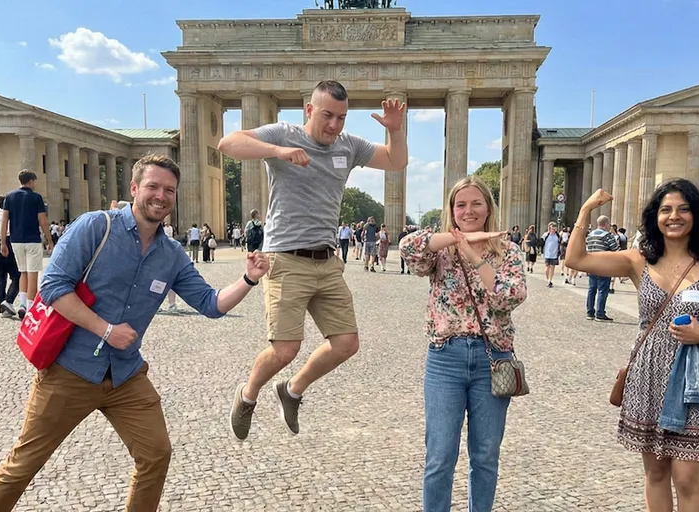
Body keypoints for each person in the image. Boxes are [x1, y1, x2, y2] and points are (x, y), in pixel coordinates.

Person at [0, 154, 270, 512]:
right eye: (153, 186)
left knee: (156, 454)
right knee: (24, 463)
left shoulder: (172, 254)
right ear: (134, 189)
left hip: (126, 376)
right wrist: (106, 329)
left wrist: (249, 279)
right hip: (70, 370)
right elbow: (52, 286)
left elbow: (211, 303)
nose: (160, 196)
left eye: (169, 190)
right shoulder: (95, 227)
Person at [218, 79, 407, 440]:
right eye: (327, 116)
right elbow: (229, 143)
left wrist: (395, 132)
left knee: (347, 343)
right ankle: (248, 395)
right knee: (285, 348)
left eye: (341, 117)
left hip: (327, 260)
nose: (334, 125)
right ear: (309, 110)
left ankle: (292, 390)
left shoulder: (349, 146)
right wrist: (276, 151)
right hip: (286, 258)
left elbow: (396, 162)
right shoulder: (286, 134)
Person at [566, 179, 699, 512]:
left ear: (696, 215)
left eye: (683, 209)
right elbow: (575, 259)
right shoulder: (638, 261)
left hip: (696, 382)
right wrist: (586, 209)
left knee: (688, 479)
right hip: (647, 377)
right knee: (656, 473)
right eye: (666, 210)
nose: (674, 217)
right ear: (655, 217)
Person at [400, 176, 527, 511]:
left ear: (488, 207)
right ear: (451, 211)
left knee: (485, 455)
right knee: (440, 455)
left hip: (493, 358)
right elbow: (408, 248)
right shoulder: (440, 251)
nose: (468, 210)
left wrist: (476, 256)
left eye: (476, 203)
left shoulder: (509, 250)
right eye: (460, 205)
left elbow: (509, 297)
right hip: (446, 358)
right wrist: (460, 239)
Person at [0, 170, 55, 318]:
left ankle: (22, 304)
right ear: (30, 181)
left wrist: (3, 242)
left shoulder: (9, 197)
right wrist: (50, 241)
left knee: (22, 272)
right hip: (32, 240)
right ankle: (31, 306)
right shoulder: (36, 198)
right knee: (33, 274)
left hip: (16, 240)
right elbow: (42, 221)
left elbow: (4, 221)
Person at [584, 215, 619, 322]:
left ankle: (590, 312)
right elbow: (615, 249)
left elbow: (586, 249)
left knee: (591, 289)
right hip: (604, 266)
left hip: (592, 265)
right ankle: (600, 313)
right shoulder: (607, 235)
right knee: (603, 290)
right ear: (606, 224)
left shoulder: (590, 235)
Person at [542, 222, 562, 287]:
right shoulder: (546, 235)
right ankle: (548, 279)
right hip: (547, 254)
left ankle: (550, 280)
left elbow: (560, 243)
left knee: (552, 268)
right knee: (547, 268)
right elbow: (541, 243)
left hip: (554, 254)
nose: (552, 230)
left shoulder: (557, 236)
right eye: (551, 228)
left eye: (554, 229)